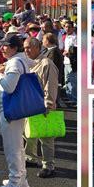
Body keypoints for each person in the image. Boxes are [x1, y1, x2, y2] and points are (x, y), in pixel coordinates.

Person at [0, 35, 35, 187]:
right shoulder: (20, 60)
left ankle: (13, 184)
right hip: (15, 109)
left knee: (12, 148)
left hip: (10, 111)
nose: (2, 48)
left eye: (5, 46)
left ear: (14, 48)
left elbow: (9, 87)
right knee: (17, 147)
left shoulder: (15, 62)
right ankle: (21, 181)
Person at [23, 37, 59, 178]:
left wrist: (48, 104)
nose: (26, 50)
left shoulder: (46, 63)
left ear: (38, 47)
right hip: (29, 105)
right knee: (29, 134)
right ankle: (30, 158)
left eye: (29, 47)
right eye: (25, 47)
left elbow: (50, 85)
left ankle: (48, 165)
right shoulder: (28, 63)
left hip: (43, 106)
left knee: (46, 138)